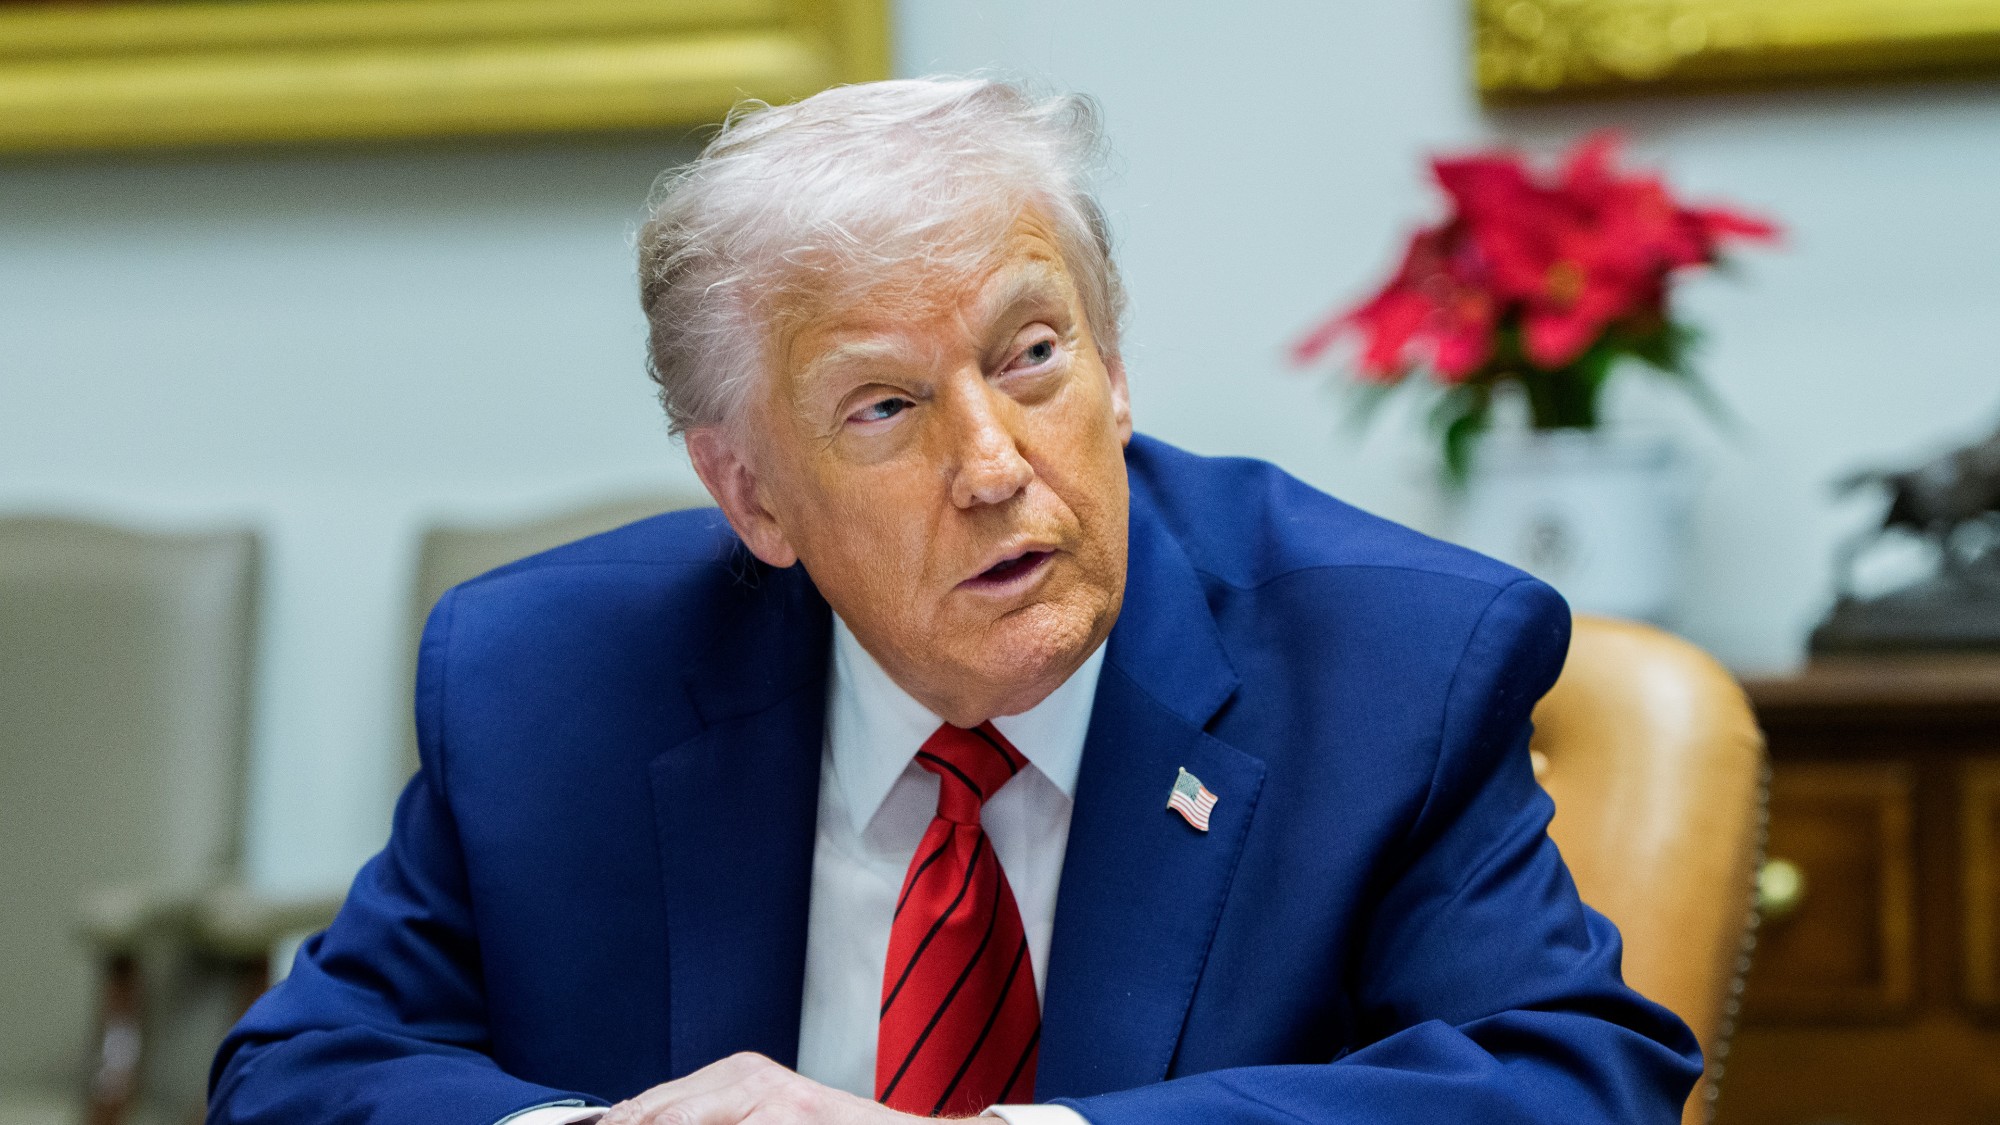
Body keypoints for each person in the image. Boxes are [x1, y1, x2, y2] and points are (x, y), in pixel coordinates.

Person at [208, 77, 1701, 1125]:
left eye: (1033, 353)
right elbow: (300, 1073)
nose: (993, 464)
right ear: (750, 495)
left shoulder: (1396, 665)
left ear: (1118, 368)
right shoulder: (545, 680)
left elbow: (1573, 1081)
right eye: (883, 409)